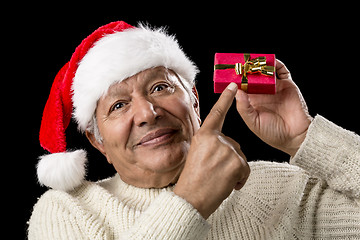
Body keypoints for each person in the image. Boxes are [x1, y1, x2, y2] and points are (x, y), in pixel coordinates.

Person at [28, 21, 360, 239]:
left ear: (195, 101)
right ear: (97, 142)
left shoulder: (280, 188)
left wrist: (305, 138)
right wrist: (191, 200)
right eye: (118, 105)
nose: (147, 113)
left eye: (160, 87)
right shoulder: (66, 211)